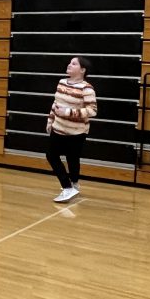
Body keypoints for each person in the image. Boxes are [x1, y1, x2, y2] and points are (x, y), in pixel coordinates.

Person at [46, 56, 98, 203]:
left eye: (74, 64)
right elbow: (56, 103)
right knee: (51, 155)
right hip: (58, 129)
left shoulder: (87, 89)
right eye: (69, 62)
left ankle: (73, 186)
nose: (69, 65)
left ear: (82, 70)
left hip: (76, 132)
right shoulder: (61, 82)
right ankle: (67, 187)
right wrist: (50, 120)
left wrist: (69, 112)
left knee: (73, 158)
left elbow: (92, 111)